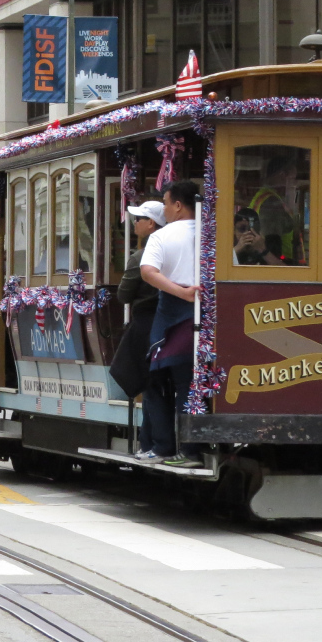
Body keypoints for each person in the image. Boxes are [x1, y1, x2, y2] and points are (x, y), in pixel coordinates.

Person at [139, 180, 205, 468]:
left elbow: (147, 272)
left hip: (174, 317)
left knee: (162, 382)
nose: (163, 209)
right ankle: (189, 449)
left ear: (178, 205)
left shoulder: (162, 236)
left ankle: (173, 448)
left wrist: (180, 292)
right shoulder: (212, 235)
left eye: (165, 203)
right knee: (193, 384)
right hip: (210, 317)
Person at [109, 201, 164, 458]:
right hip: (174, 323)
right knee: (161, 385)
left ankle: (151, 444)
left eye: (138, 219)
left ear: (151, 223)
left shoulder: (141, 257)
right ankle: (153, 442)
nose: (134, 224)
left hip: (146, 326)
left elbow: (123, 295)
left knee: (150, 385)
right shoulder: (176, 250)